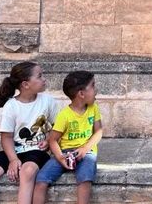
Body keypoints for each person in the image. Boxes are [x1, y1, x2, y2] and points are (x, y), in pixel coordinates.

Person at [0, 62, 58, 204]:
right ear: (25, 84)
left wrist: (48, 139)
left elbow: (56, 128)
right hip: (14, 150)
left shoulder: (48, 101)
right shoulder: (11, 105)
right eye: (40, 76)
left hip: (37, 150)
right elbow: (6, 137)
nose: (44, 79)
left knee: (27, 171)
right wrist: (13, 159)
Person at [33, 71, 103, 204]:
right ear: (81, 94)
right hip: (65, 152)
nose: (96, 90)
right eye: (93, 86)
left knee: (85, 178)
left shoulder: (94, 108)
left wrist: (85, 148)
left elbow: (98, 132)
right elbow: (53, 140)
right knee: (41, 180)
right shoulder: (64, 115)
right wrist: (60, 157)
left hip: (87, 152)